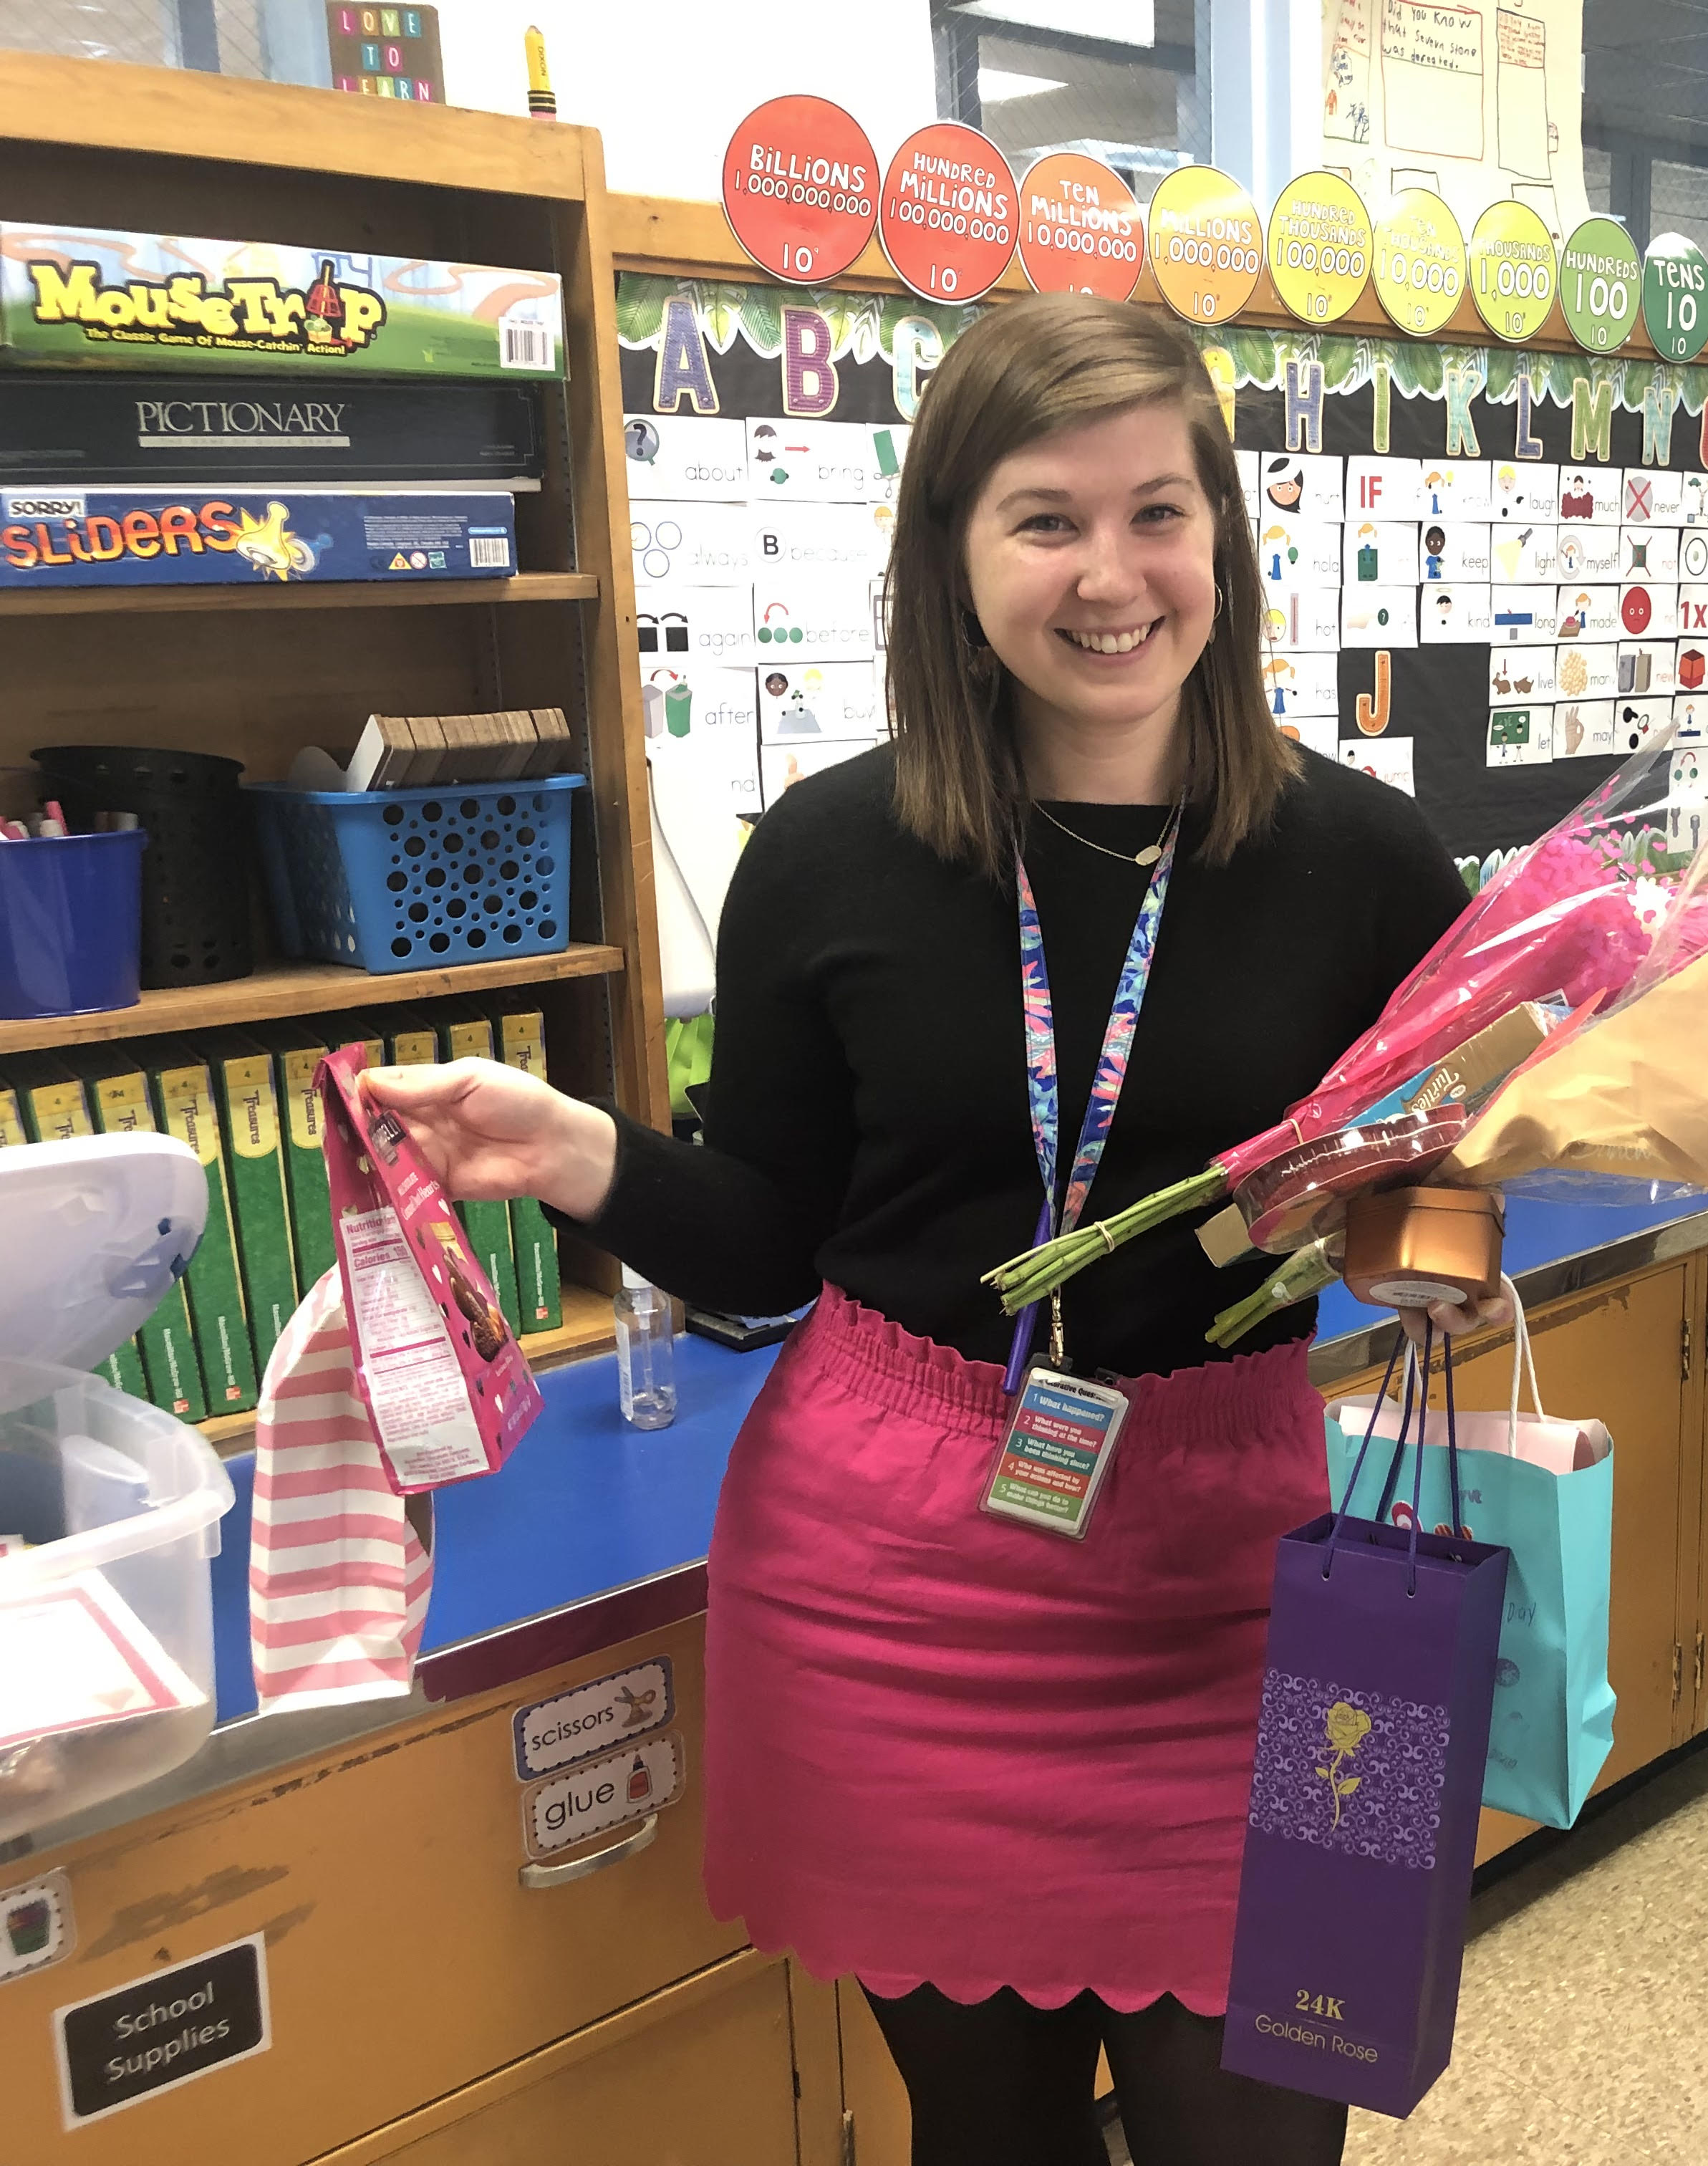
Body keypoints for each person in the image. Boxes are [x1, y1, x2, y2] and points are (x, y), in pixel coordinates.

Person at [363, 296, 1477, 2166]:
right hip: (902, 1588)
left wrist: (1417, 1228)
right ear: (952, 552)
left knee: (1270, 2135)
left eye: (1159, 512)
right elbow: (767, 1248)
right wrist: (577, 1152)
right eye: (1047, 518)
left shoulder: (1368, 866)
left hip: (1254, 1587)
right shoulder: (828, 855)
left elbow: (1437, 1229)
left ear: (1224, 536)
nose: (1112, 575)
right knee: (991, 2139)